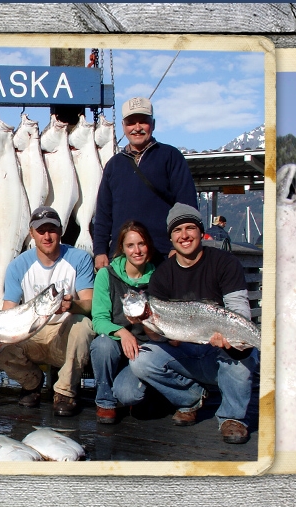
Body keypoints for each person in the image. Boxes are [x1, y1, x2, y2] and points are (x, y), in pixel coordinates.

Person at [129, 203, 259, 444]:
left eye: (190, 228)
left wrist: (230, 339)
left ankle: (233, 418)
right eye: (177, 230)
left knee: (244, 357)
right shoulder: (163, 275)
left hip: (220, 349)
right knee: (141, 361)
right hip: (186, 350)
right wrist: (145, 322)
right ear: (170, 237)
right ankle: (190, 398)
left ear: (201, 232)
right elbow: (158, 336)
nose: (184, 235)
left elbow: (239, 311)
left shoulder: (225, 263)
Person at [0, 206, 96, 416]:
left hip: (64, 332)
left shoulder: (80, 259)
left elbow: (89, 303)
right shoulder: (18, 266)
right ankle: (31, 383)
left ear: (61, 231)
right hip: (32, 333)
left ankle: (65, 391)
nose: (47, 236)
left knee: (84, 325)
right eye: (41, 230)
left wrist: (71, 306)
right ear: (32, 233)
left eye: (52, 230)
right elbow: (9, 309)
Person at [94, 96, 198, 270]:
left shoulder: (171, 157)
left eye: (143, 121)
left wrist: (176, 248)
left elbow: (187, 207)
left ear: (153, 124)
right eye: (131, 122)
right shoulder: (113, 165)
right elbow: (103, 213)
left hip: (163, 256)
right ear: (123, 127)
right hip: (122, 258)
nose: (137, 128)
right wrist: (100, 251)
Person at [89, 220, 156, 424]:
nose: (137, 250)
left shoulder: (160, 276)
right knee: (101, 344)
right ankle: (105, 402)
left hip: (146, 348)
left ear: (149, 246)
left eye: (141, 244)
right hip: (116, 345)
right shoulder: (106, 275)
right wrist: (123, 332)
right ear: (122, 248)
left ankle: (143, 389)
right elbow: (99, 320)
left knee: (129, 395)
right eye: (130, 245)